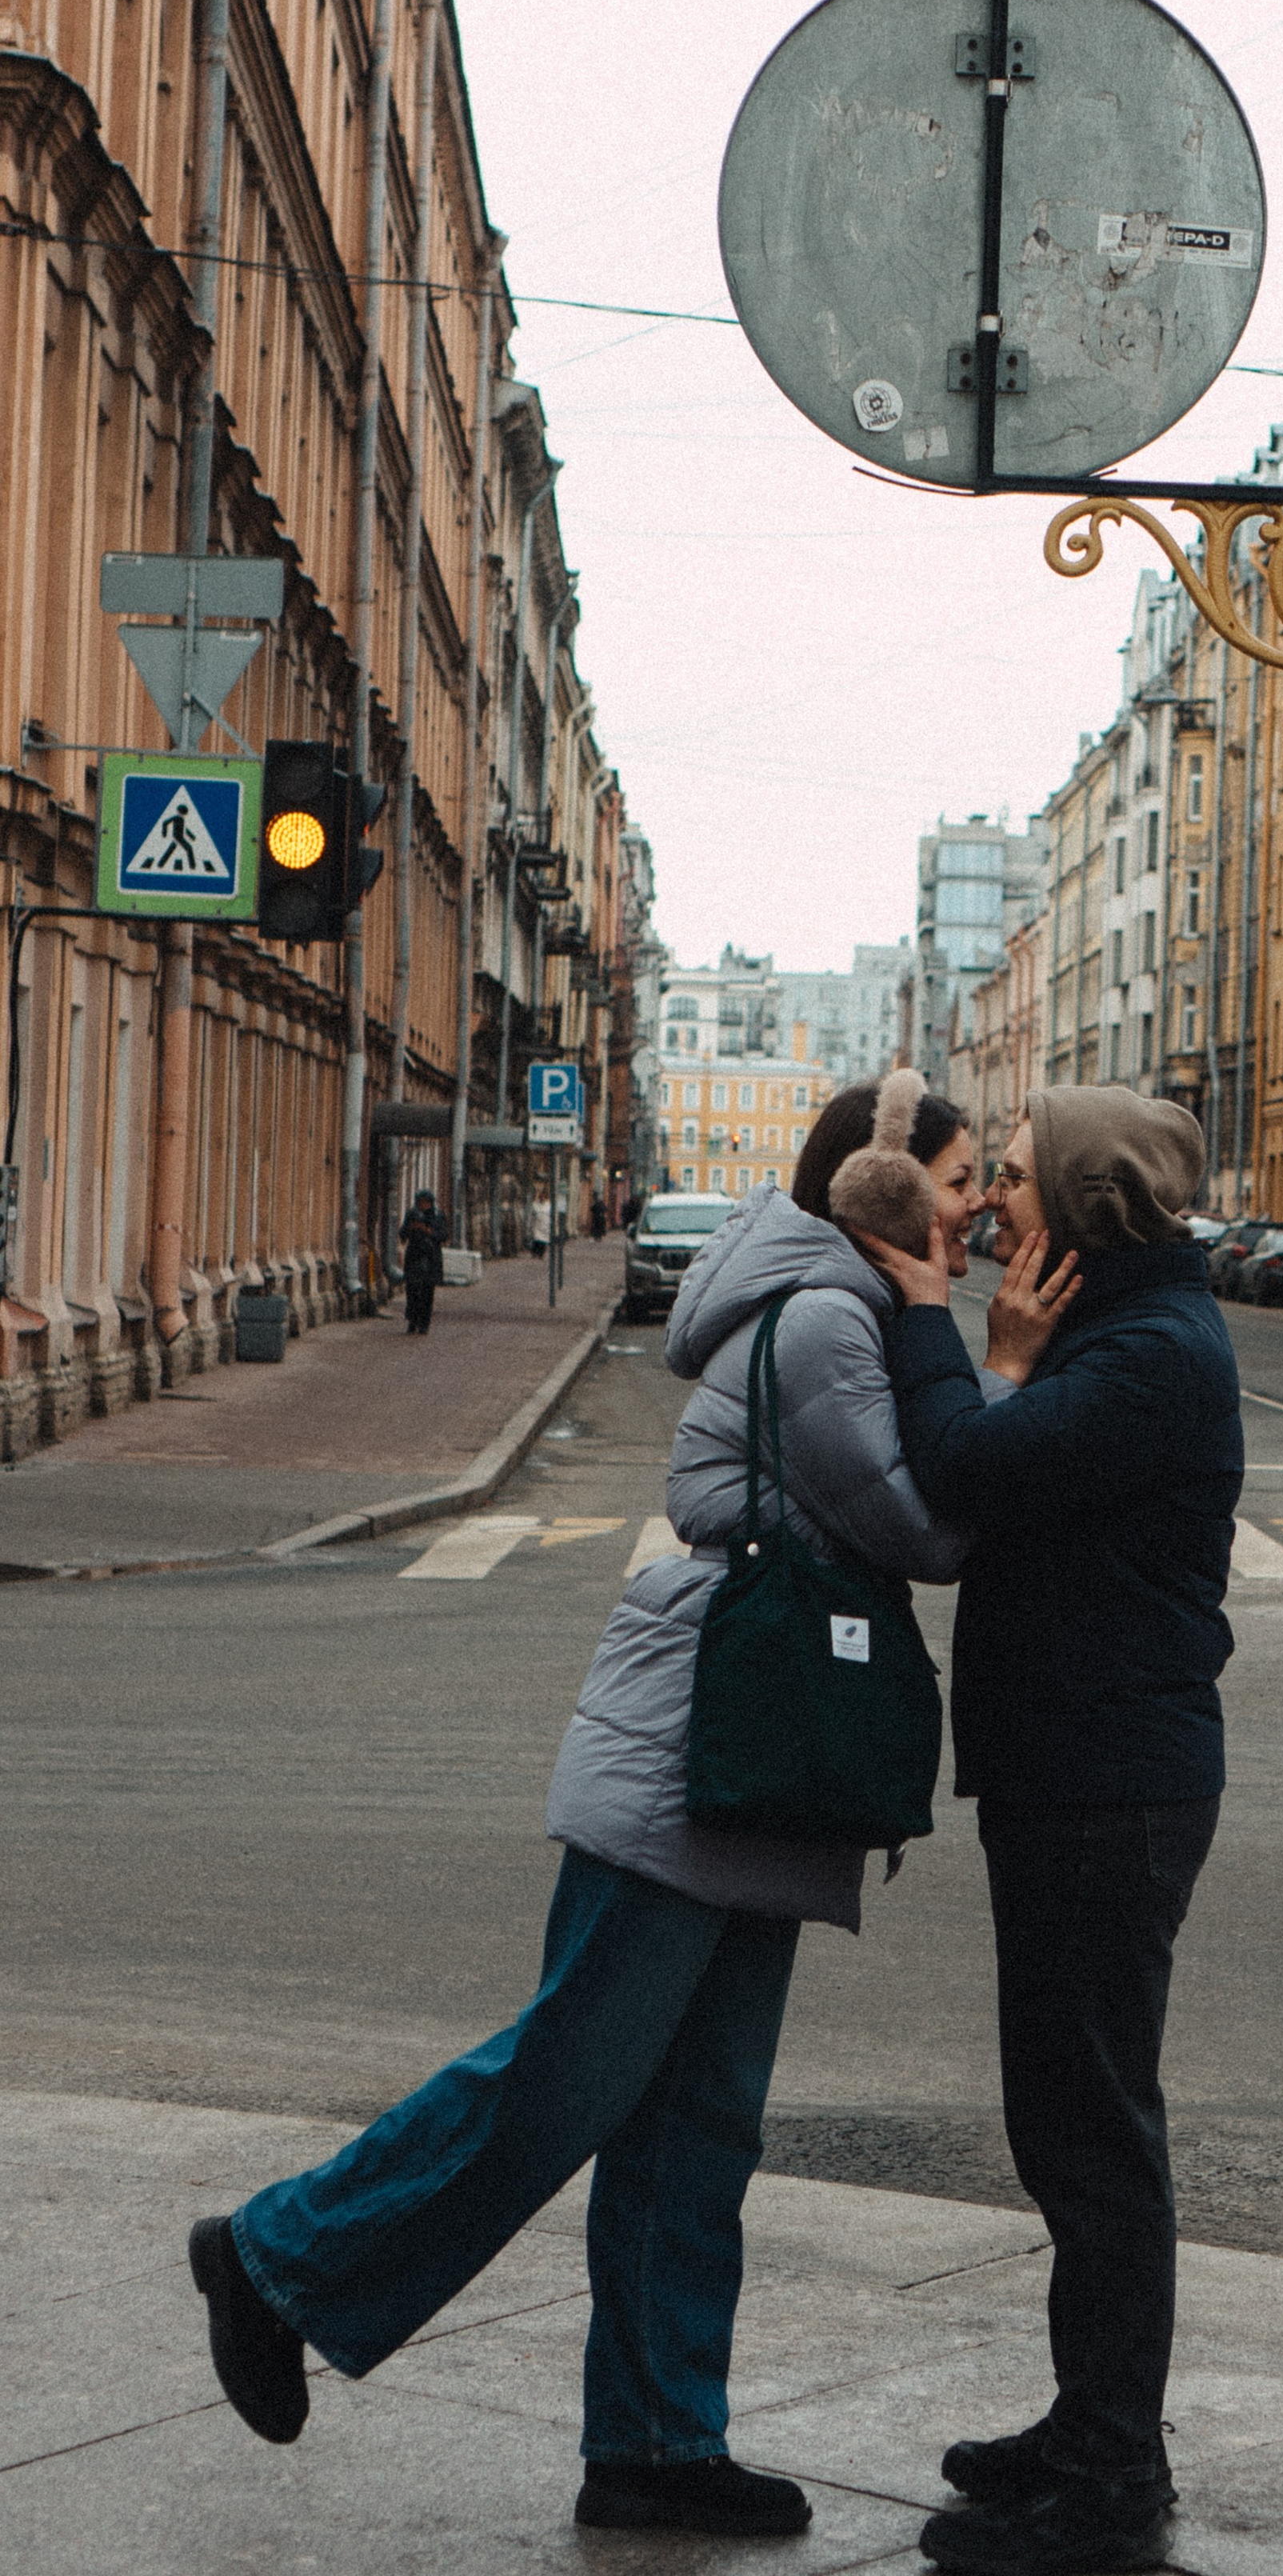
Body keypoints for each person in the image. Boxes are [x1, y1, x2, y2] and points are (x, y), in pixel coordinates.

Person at [188, 1076, 989, 2537]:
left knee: (698, 2122)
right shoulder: (829, 1320)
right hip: (705, 1752)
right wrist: (966, 1344)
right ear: (882, 1189)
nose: (978, 1201)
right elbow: (924, 1526)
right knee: (571, 2073)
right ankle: (275, 2257)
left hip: (762, 1762)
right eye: (957, 1176)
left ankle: (656, 2441)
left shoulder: (845, 1314)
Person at [861, 1088, 1241, 2576]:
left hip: (1110, 1784)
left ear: (1088, 1203)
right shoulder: (1123, 1332)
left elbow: (967, 1468)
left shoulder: (1149, 1355)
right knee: (1068, 2123)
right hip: (1076, 1773)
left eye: (1013, 1179)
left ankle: (1111, 2468)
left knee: (1093, 2136)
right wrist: (1015, 1357)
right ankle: (1085, 2427)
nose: (992, 1204)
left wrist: (961, 1339)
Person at [397, 1190, 446, 1336]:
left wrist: (428, 1231)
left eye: (425, 1202)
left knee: (427, 1292)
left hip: (431, 1258)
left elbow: (444, 1235)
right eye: (420, 1202)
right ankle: (412, 1320)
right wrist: (410, 1228)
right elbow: (403, 1234)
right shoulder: (412, 1214)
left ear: (430, 1203)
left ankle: (424, 1323)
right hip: (415, 1257)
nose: (422, 1205)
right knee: (412, 1290)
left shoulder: (438, 1216)